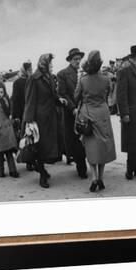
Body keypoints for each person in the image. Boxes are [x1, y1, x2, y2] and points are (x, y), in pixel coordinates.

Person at [75, 50, 117, 192]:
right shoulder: (106, 79)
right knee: (103, 146)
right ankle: (101, 178)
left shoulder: (83, 80)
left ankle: (93, 178)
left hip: (88, 115)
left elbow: (76, 97)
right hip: (103, 114)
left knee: (91, 148)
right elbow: (109, 94)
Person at [23, 53, 65, 188]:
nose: (52, 66)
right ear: (44, 64)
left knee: (46, 148)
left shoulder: (49, 77)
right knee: (38, 148)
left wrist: (59, 99)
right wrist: (29, 121)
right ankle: (42, 175)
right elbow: (29, 101)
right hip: (39, 119)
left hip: (50, 117)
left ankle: (42, 170)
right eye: (50, 63)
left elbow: (53, 95)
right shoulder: (34, 79)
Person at [57, 48, 88, 178]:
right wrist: (72, 108)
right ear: (70, 60)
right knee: (75, 140)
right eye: (75, 59)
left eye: (79, 59)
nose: (77, 61)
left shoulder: (85, 73)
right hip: (72, 113)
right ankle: (81, 167)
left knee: (86, 137)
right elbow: (62, 93)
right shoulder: (63, 74)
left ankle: (82, 162)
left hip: (85, 111)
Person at [116, 44, 136, 179]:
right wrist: (124, 113)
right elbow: (121, 95)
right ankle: (130, 169)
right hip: (132, 112)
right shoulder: (125, 72)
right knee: (133, 142)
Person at [11, 61, 32, 135]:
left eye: (31, 70)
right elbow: (15, 100)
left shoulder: (31, 81)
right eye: (29, 70)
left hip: (30, 111)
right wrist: (16, 116)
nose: (30, 72)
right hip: (21, 112)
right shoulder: (17, 82)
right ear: (24, 70)